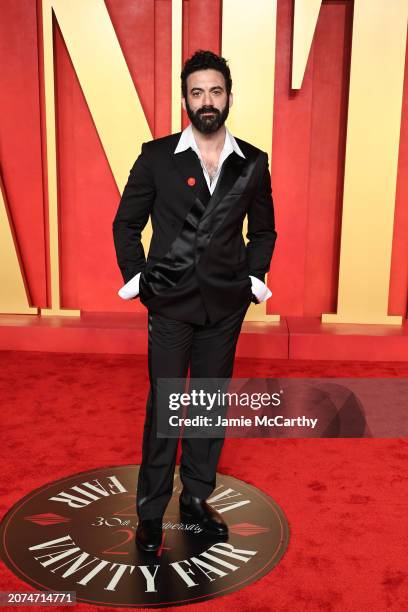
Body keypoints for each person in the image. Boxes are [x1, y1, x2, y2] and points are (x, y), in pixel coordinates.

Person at [113, 50, 277, 552]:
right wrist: (141, 282)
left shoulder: (252, 161)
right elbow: (126, 224)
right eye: (197, 92)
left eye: (216, 91)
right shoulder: (157, 155)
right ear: (185, 98)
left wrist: (251, 280)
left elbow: (265, 230)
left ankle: (196, 499)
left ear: (229, 95)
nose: (207, 101)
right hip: (170, 305)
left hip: (224, 308)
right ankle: (149, 512)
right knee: (166, 406)